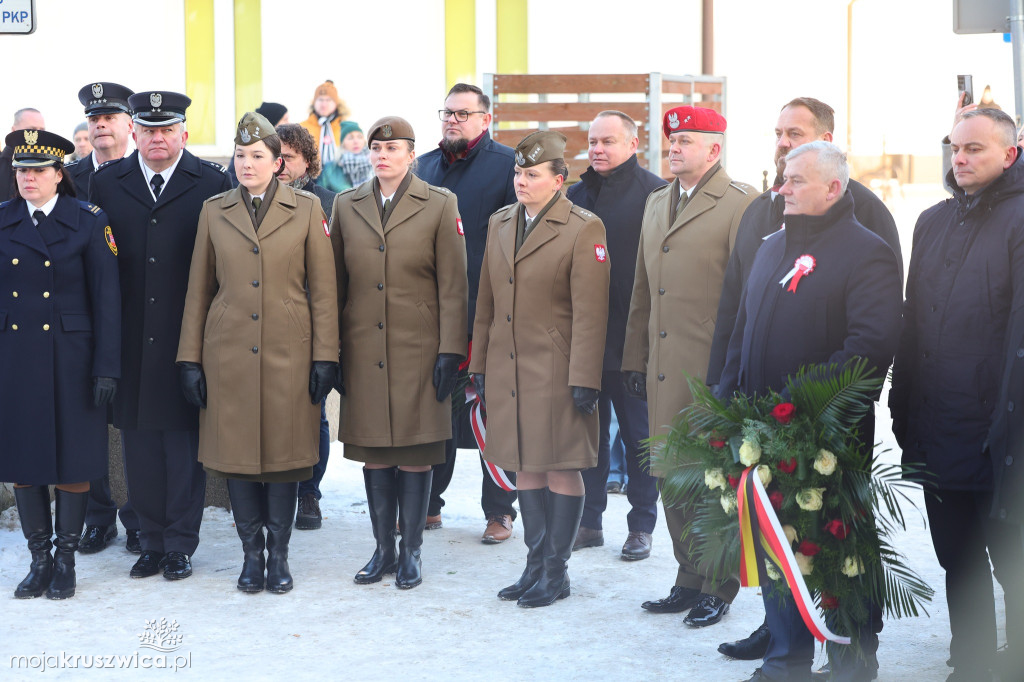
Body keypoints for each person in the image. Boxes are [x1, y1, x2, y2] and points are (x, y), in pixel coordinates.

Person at [709, 97, 901, 661]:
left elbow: (868, 349)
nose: (783, 186)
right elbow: (740, 334)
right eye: (784, 179)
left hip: (827, 435)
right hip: (759, 434)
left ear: (832, 189)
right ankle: (784, 660)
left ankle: (851, 661)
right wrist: (726, 405)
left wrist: (799, 408)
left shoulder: (868, 253)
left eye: (796, 180)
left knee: (838, 548)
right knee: (777, 546)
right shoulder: (769, 248)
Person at [177, 112, 338, 594]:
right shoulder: (215, 209)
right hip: (227, 354)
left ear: (278, 163)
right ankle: (251, 555)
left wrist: (325, 356)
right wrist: (189, 357)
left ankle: (280, 555)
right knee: (238, 457)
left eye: (258, 157)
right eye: (240, 155)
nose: (246, 164)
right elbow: (198, 290)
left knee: (287, 458)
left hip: (290, 350)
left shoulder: (308, 209)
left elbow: (324, 291)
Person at [891, 107, 1024, 682]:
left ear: (1009, 154)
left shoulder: (1020, 219)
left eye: (975, 149)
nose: (961, 159)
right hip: (940, 424)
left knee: (1012, 563)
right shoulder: (932, 220)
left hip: (1002, 433)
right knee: (958, 557)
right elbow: (913, 319)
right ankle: (970, 660)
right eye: (954, 148)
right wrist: (904, 406)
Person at [621, 105, 755, 626]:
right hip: (661, 366)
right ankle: (686, 576)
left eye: (687, 141)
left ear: (714, 150)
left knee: (712, 479)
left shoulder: (740, 204)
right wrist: (635, 355)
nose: (674, 148)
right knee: (670, 475)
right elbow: (641, 287)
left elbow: (746, 295)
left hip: (710, 370)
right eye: (672, 140)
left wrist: (736, 371)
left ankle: (717, 586)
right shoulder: (658, 202)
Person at [89, 91, 231, 582]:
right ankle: (149, 541)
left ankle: (180, 544)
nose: (157, 139)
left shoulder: (211, 182)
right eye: (148, 130)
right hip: (127, 338)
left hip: (186, 337)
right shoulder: (107, 182)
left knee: (183, 446)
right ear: (136, 133)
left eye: (166, 130)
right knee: (138, 447)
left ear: (184, 134)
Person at [471, 130, 610, 607]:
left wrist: (585, 379)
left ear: (558, 179)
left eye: (532, 175)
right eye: (517, 172)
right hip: (508, 367)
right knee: (525, 464)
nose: (520, 182)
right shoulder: (501, 222)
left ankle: (557, 571)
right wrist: (480, 364)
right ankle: (534, 565)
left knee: (560, 467)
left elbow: (592, 313)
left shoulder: (582, 227)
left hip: (557, 368)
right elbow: (486, 299)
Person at [331, 116, 467, 590]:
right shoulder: (346, 206)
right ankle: (382, 549)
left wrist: (451, 350)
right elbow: (334, 286)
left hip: (419, 350)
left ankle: (411, 552)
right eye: (377, 148)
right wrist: (333, 351)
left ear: (413, 155)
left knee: (415, 452)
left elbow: (454, 286)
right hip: (365, 349)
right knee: (375, 453)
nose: (384, 155)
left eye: (395, 148)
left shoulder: (439, 203)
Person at [0, 129, 120, 599]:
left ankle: (66, 560)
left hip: (73, 357)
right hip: (16, 358)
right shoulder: (4, 220)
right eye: (21, 171)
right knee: (24, 462)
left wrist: (107, 366)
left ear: (58, 174)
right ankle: (39, 560)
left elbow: (107, 300)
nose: (28, 179)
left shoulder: (88, 221)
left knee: (74, 460)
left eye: (37, 171)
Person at [415, 82, 519, 543]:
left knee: (491, 414)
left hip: (488, 314)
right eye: (447, 113)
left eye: (463, 113)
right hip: (431, 316)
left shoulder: (506, 168)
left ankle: (500, 511)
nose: (452, 120)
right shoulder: (423, 167)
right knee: (434, 410)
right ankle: (429, 506)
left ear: (485, 119)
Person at [565, 110, 665, 560]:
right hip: (586, 340)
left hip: (634, 343)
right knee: (589, 435)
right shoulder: (575, 195)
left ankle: (641, 524)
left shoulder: (655, 195)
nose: (598, 149)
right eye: (592, 142)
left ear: (632, 144)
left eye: (608, 141)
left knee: (639, 437)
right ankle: (589, 522)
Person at [65, 81, 141, 554]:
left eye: (109, 118)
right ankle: (98, 515)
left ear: (129, 125)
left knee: (133, 424)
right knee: (85, 419)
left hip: (136, 315)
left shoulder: (144, 171)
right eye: (94, 120)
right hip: (81, 321)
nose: (100, 126)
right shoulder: (69, 175)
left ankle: (137, 516)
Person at [276, 122, 336, 530]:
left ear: (308, 162)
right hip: (267, 329)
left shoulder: (329, 204)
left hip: (312, 329)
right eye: (273, 156)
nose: (280, 166)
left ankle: (308, 494)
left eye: (289, 158)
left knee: (313, 415)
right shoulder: (246, 202)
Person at [299, 81, 351, 193]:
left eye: (328, 100)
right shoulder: (303, 127)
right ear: (314, 102)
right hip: (311, 181)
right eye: (320, 100)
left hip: (340, 180)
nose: (324, 104)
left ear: (336, 103)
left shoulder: (345, 127)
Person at [227, 102, 288, 187]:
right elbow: (233, 179)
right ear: (272, 121)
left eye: (257, 156)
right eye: (285, 119)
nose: (288, 123)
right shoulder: (246, 143)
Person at [0, 108, 46, 202]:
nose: (37, 135)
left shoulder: (49, 168)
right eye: (31, 130)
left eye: (41, 130)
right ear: (13, 130)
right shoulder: (3, 164)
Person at [337, 121, 372, 188]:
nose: (356, 141)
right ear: (343, 144)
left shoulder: (374, 161)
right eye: (350, 138)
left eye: (360, 137)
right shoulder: (331, 169)